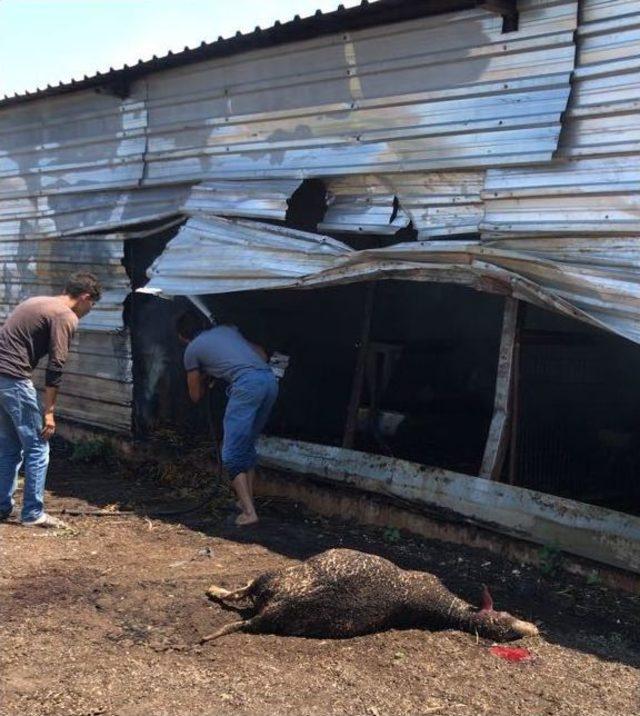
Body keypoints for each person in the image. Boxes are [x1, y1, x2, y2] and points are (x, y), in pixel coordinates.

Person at [0, 272, 101, 528]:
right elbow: (56, 366)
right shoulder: (64, 315)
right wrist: (49, 411)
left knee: (10, 447)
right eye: (92, 304)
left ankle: (2, 506)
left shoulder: (37, 302)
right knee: (38, 446)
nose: (90, 310)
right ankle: (33, 513)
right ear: (85, 297)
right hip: (12, 379)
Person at [177, 312, 278, 526]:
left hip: (247, 386)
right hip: (269, 381)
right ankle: (245, 503)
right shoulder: (227, 330)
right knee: (246, 446)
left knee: (230, 453)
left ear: (183, 337)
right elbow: (262, 354)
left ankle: (250, 513)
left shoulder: (192, 349)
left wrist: (206, 373)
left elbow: (195, 395)